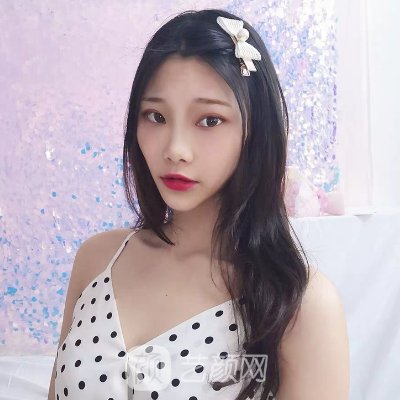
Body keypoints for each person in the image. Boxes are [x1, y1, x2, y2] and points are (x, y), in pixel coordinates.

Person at [48, 8, 349, 400]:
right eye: (155, 116)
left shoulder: (300, 304)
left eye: (209, 120)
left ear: (254, 130)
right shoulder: (97, 259)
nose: (176, 149)